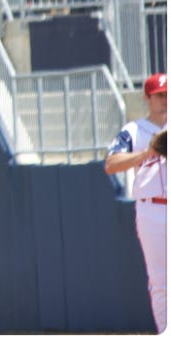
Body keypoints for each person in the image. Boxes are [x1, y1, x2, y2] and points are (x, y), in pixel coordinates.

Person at [105, 72, 167, 334]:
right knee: (161, 280)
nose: (166, 100)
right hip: (151, 210)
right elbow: (111, 164)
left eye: (168, 95)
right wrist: (148, 152)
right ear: (148, 97)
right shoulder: (134, 130)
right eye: (160, 95)